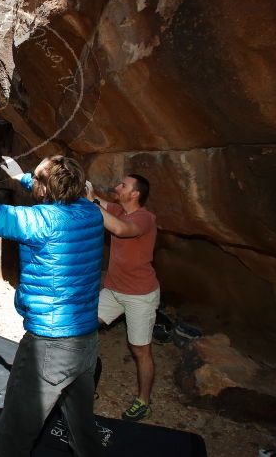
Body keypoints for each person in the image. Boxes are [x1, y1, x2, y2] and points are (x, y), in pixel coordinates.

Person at [0, 151, 103, 457]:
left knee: (15, 431)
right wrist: (24, 178)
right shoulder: (91, 212)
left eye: (38, 177)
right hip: (86, 340)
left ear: (44, 190)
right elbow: (65, 187)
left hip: (50, 345)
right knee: (82, 426)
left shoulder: (39, 221)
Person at [86, 174, 158, 422]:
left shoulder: (144, 218)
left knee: (140, 351)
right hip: (114, 291)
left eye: (123, 186)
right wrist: (84, 188)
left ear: (135, 194)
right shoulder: (120, 209)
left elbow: (119, 229)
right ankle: (82, 384)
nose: (117, 187)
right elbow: (96, 200)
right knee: (81, 323)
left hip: (140, 296)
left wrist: (93, 204)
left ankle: (144, 402)